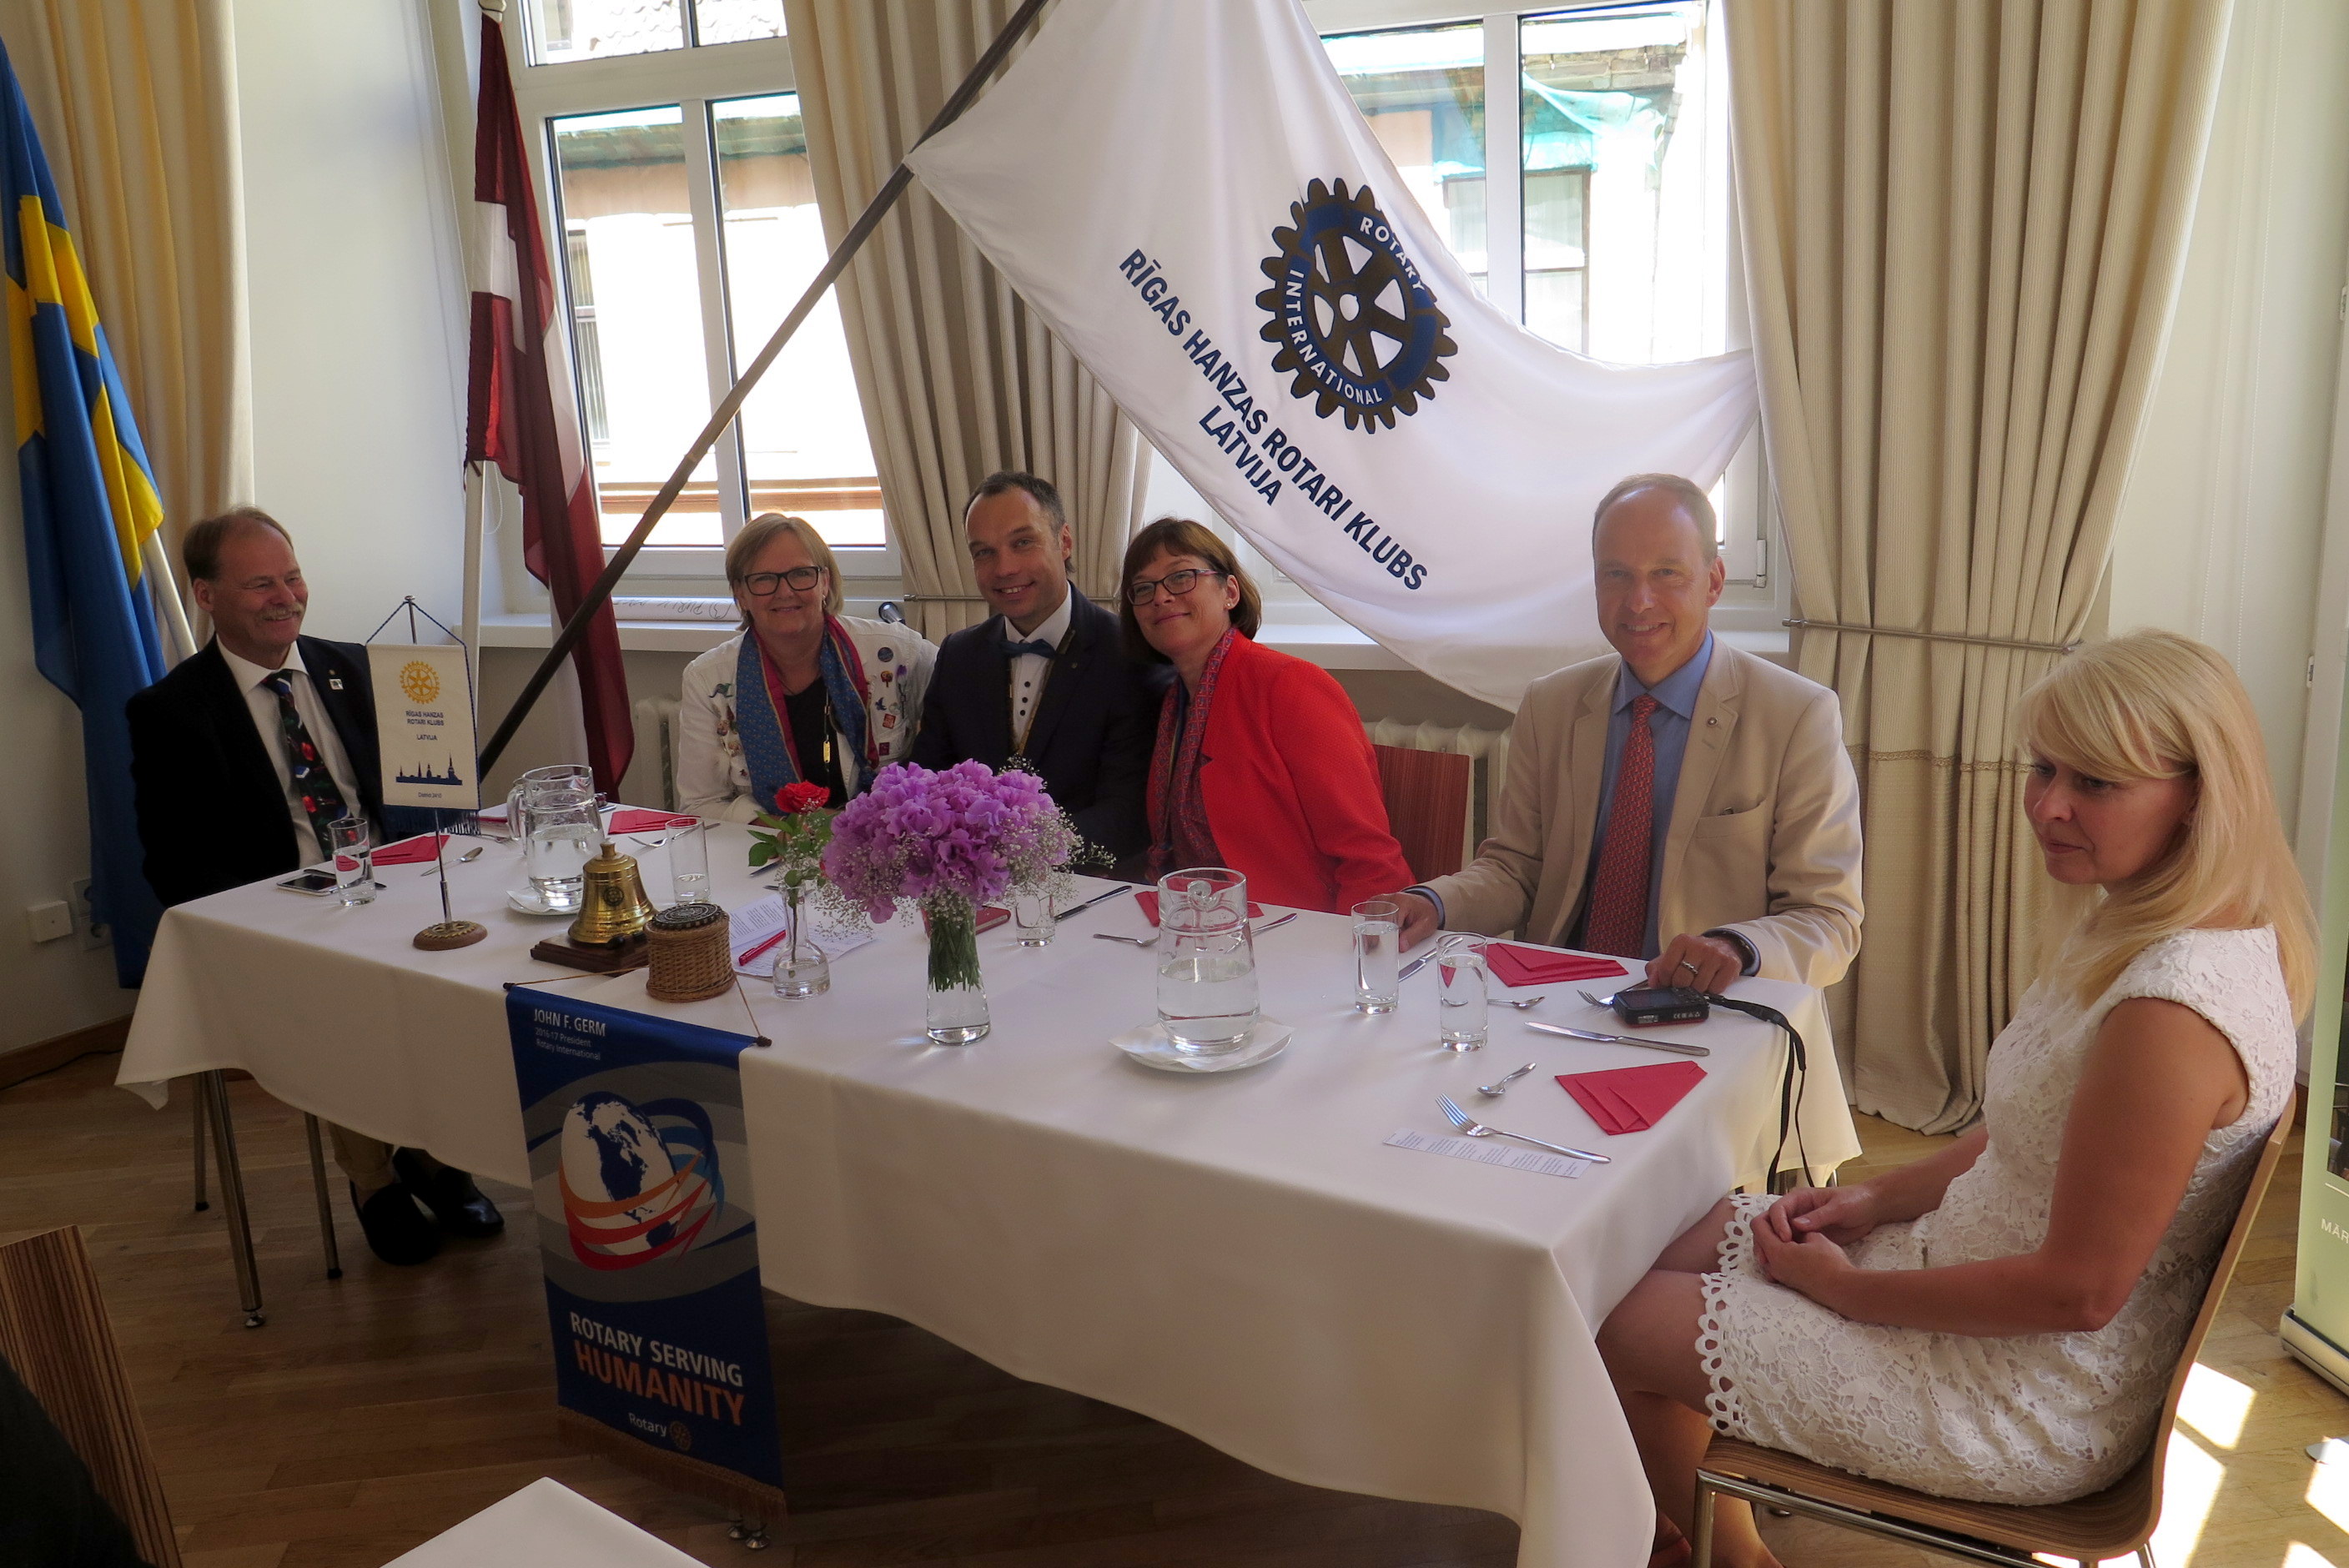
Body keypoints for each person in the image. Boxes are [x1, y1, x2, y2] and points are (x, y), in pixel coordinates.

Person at [1597, 629, 2308, 1567]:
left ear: (2198, 796)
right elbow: (2026, 1133)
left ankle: (1724, 1553)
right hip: (1967, 1268)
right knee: (1632, 1241)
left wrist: (1849, 1291)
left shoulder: (2167, 1014)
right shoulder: (2149, 926)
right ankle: (1687, 1520)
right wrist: (1870, 1199)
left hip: (2015, 1391)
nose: (2048, 805)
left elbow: (2078, 1292)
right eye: (2043, 768)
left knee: (1616, 1318)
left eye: (2095, 782)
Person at [126, 509, 503, 1268]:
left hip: (394, 888)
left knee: (468, 975)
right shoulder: (171, 712)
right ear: (206, 595)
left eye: (292, 578)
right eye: (260, 584)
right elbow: (175, 863)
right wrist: (267, 919)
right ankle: (374, 1179)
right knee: (346, 991)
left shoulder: (355, 669)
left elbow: (422, 794)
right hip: (283, 916)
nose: (286, 597)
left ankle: (432, 1153)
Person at [1392, 474, 1863, 991]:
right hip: (1557, 998)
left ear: (1713, 581)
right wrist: (1434, 902)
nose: (1638, 601)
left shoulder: (1797, 717)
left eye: (1666, 573)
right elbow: (1516, 871)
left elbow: (1827, 919)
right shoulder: (1550, 705)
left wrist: (1736, 947)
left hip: (1704, 1006)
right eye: (1616, 574)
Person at [1122, 516, 1411, 913]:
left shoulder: (1292, 685)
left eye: (1181, 577)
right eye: (1143, 588)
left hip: (1300, 926)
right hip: (1197, 921)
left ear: (1230, 592)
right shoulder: (1172, 703)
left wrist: (1353, 945)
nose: (1161, 597)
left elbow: (1370, 860)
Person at [910, 471, 1164, 863]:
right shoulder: (958, 655)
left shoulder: (1130, 653)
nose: (1004, 568)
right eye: (984, 552)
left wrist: (1012, 854)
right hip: (970, 880)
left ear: (1064, 541)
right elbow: (927, 779)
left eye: (1022, 543)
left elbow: (1127, 811)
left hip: (1092, 883)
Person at [680, 513, 934, 821]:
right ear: (740, 594)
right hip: (775, 843)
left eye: (801, 574)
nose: (785, 591)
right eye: (763, 578)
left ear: (825, 582)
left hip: (884, 836)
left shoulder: (900, 653)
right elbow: (699, 804)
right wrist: (786, 829)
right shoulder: (707, 680)